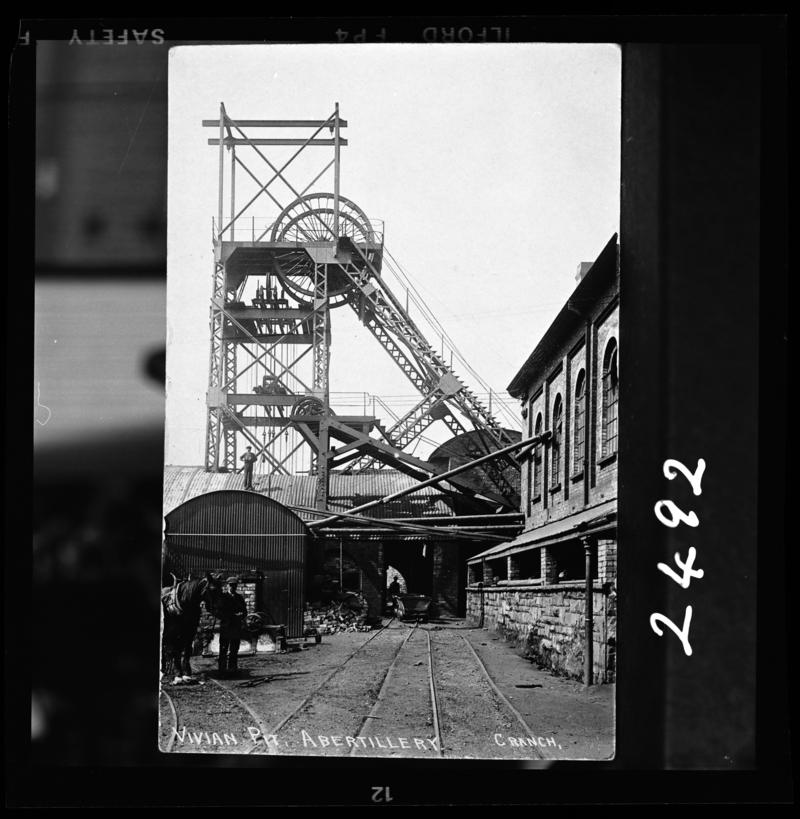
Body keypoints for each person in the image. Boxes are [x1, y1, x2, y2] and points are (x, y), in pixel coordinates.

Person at [216, 577, 247, 676]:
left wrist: (241, 615)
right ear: (227, 585)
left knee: (234, 649)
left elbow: (245, 611)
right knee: (223, 649)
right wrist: (233, 615)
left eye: (234, 585)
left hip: (236, 627)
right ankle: (222, 670)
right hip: (226, 627)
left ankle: (232, 669)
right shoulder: (223, 598)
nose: (233, 587)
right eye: (231, 585)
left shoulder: (239, 598)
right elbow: (219, 613)